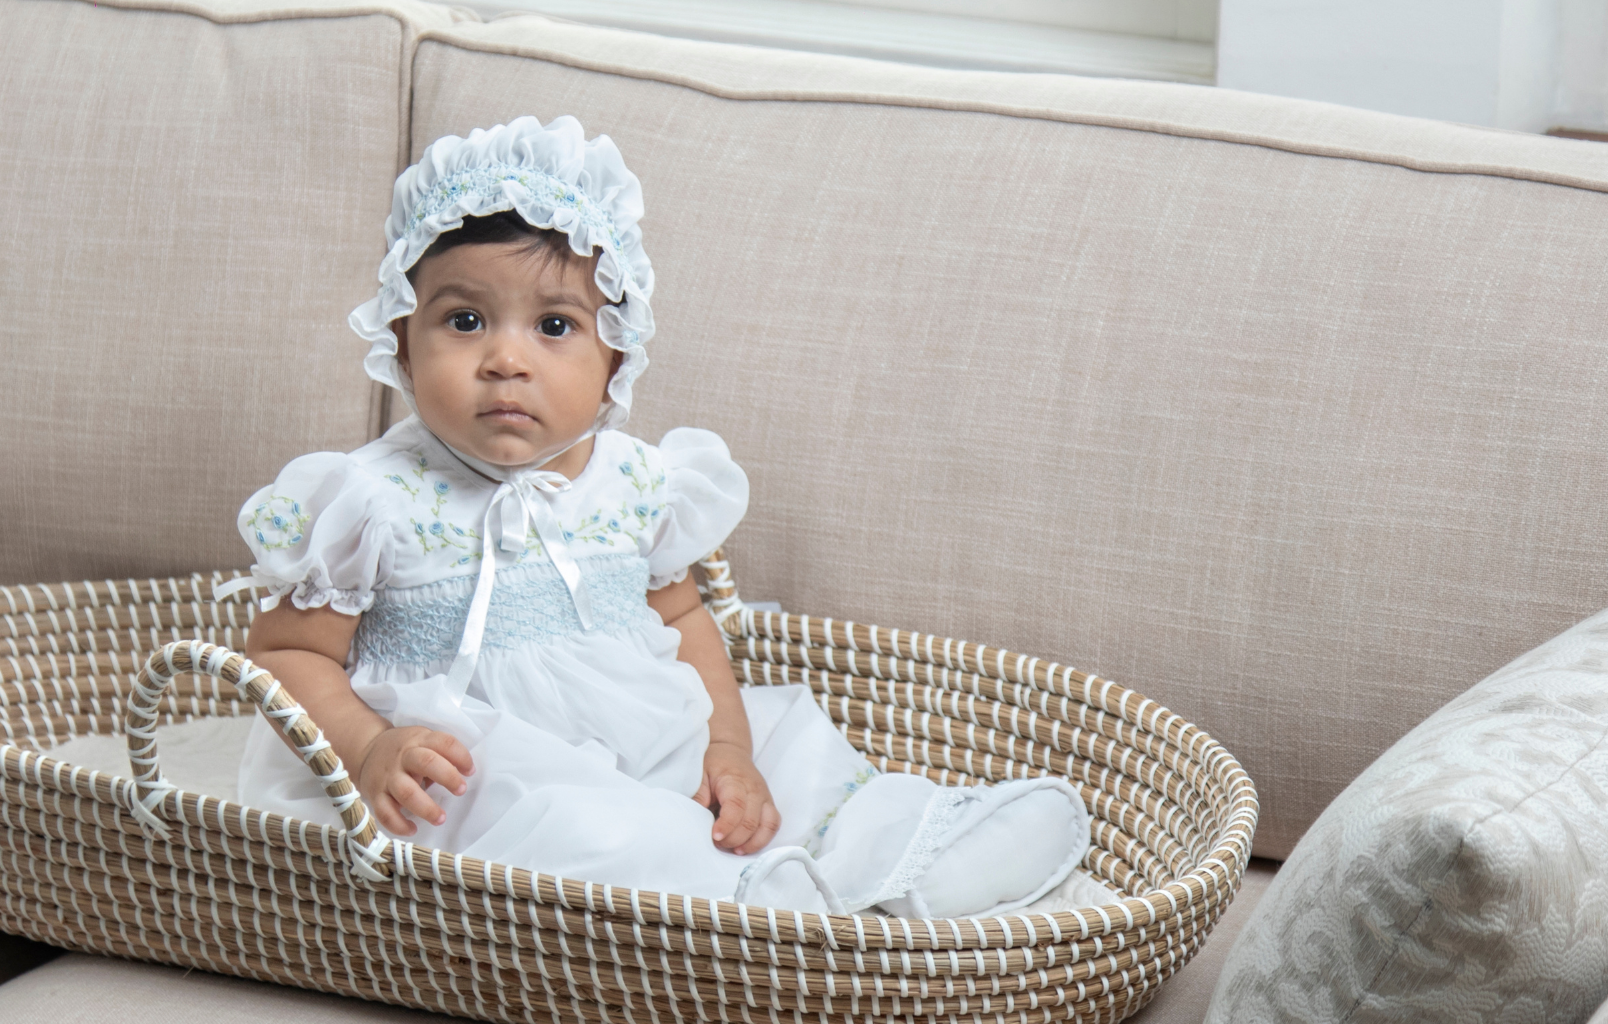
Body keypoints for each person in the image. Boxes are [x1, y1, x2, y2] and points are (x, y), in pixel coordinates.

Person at [224, 115, 1090, 917]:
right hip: (478, 766)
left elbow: (682, 620)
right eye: (465, 320)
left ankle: (908, 849)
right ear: (403, 345)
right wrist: (368, 747)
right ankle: (736, 899)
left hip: (650, 732)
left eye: (554, 325)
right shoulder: (370, 501)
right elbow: (288, 653)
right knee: (581, 827)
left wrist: (729, 751)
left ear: (616, 360)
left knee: (791, 748)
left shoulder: (637, 481)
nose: (506, 359)